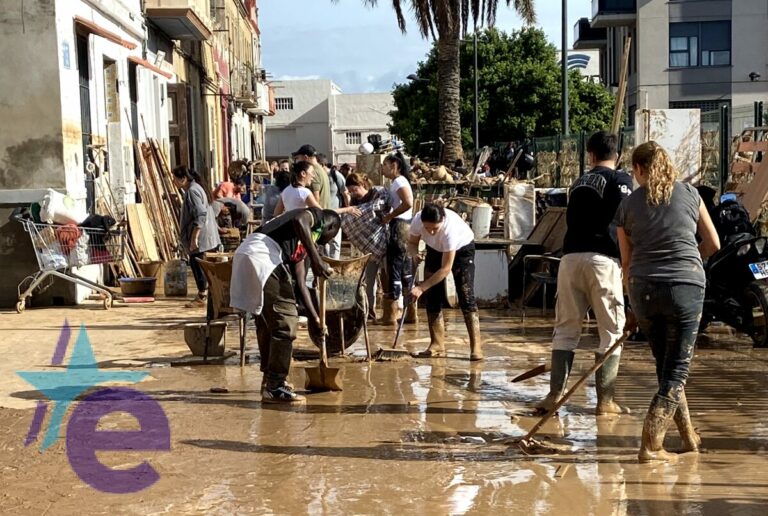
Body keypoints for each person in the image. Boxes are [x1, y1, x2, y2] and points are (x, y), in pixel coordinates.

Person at [615, 141, 720, 462]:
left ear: (638, 170)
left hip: (643, 288)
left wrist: (632, 307)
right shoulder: (690, 194)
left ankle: (688, 437)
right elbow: (713, 242)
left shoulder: (628, 206)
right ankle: (650, 445)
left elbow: (627, 264)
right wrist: (690, 263)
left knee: (666, 368)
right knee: (676, 372)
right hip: (685, 287)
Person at [535, 131, 634, 416]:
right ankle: (605, 401)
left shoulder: (579, 182)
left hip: (570, 259)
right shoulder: (621, 180)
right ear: (618, 154)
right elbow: (625, 222)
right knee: (611, 331)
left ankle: (555, 395)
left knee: (565, 330)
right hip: (602, 261)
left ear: (590, 155)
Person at [230, 208, 340, 403]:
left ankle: (269, 379)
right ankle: (276, 385)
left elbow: (300, 283)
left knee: (267, 322)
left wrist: (315, 318)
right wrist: (317, 260)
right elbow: (300, 219)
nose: (327, 242)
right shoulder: (314, 216)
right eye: (331, 236)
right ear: (330, 225)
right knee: (285, 322)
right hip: (262, 256)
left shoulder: (302, 244)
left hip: (247, 255)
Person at [407, 204, 482, 360]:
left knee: (466, 294)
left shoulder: (450, 230)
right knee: (432, 295)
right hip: (434, 249)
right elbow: (412, 243)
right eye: (428, 229)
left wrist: (421, 288)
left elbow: (446, 268)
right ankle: (437, 343)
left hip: (462, 249)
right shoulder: (417, 221)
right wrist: (414, 254)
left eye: (435, 229)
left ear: (442, 220)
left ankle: (476, 347)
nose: (431, 232)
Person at [171, 165, 222, 308]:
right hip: (208, 237)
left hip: (201, 238)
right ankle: (205, 294)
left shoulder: (193, 191)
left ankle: (202, 295)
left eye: (175, 179)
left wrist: (194, 238)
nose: (174, 182)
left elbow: (200, 215)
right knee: (201, 266)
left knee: (198, 265)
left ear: (183, 179)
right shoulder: (196, 188)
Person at [342, 172, 391, 319]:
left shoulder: (377, 194)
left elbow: (381, 207)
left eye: (354, 190)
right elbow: (353, 222)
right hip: (369, 245)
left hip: (384, 240)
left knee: (388, 275)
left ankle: (391, 312)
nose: (353, 193)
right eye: (350, 191)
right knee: (370, 279)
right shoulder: (354, 204)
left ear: (362, 185)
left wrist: (369, 212)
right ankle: (370, 310)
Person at [377, 151, 415, 325]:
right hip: (404, 225)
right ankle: (410, 313)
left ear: (394, 166)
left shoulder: (399, 181)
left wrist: (389, 217)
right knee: (405, 270)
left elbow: (408, 202)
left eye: (385, 165)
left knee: (395, 268)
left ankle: (391, 315)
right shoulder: (396, 182)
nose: (382, 168)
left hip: (400, 226)